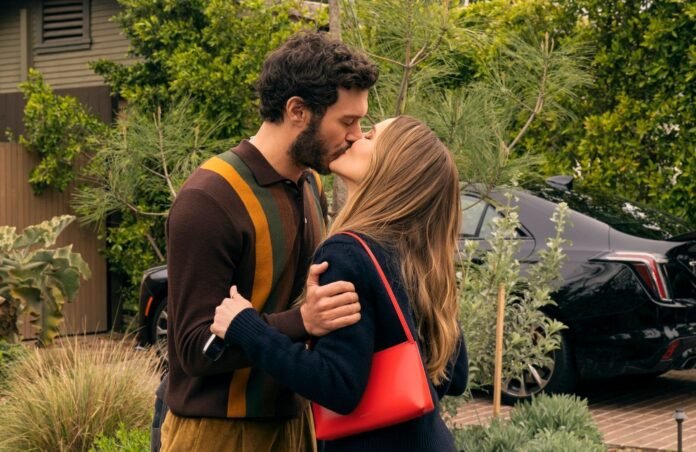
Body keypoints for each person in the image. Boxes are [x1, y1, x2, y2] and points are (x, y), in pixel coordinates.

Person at [161, 32, 379, 452]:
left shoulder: (310, 184)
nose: (356, 135)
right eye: (346, 121)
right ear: (297, 110)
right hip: (217, 433)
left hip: (297, 424)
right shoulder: (209, 198)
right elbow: (194, 347)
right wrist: (303, 322)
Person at [212, 115, 469, 451]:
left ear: (392, 167)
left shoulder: (347, 253)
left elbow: (337, 386)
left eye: (370, 136)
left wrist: (247, 328)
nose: (355, 137)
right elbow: (455, 376)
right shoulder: (419, 256)